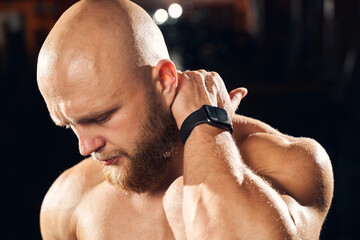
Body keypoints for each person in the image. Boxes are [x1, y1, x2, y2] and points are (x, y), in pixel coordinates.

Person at [37, 0, 334, 239]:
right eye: (70, 125)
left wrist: (206, 128)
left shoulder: (287, 163)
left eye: (101, 117)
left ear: (165, 80)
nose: (86, 147)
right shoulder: (70, 199)